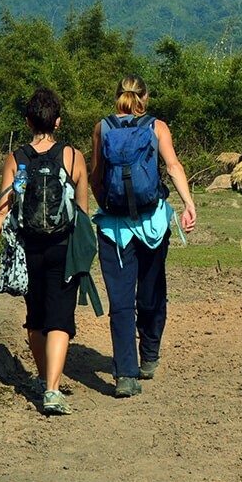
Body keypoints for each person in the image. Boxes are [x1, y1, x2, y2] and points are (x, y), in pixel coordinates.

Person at [0, 88, 89, 416]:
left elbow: (1, 211)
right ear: (58, 121)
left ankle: (42, 379)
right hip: (63, 249)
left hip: (28, 250)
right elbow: (81, 212)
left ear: (27, 121)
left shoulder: (16, 158)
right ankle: (53, 390)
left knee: (36, 318)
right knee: (60, 319)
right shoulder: (73, 156)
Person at [90, 74, 196, 398]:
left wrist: (107, 205)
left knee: (120, 303)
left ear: (117, 97)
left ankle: (126, 375)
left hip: (113, 228)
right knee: (151, 292)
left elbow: (95, 175)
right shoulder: (157, 126)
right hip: (152, 225)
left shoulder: (102, 127)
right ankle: (148, 355)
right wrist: (189, 204)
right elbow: (174, 166)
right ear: (145, 98)